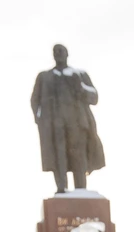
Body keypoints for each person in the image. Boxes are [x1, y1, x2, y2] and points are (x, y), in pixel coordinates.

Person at [31, 44, 106, 194]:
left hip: (77, 124)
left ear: (67, 54)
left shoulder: (78, 75)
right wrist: (39, 118)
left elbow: (94, 97)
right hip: (54, 125)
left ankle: (81, 190)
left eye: (61, 51)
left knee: (78, 156)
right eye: (56, 52)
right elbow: (35, 100)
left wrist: (80, 88)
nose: (58, 54)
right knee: (58, 157)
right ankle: (61, 188)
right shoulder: (45, 77)